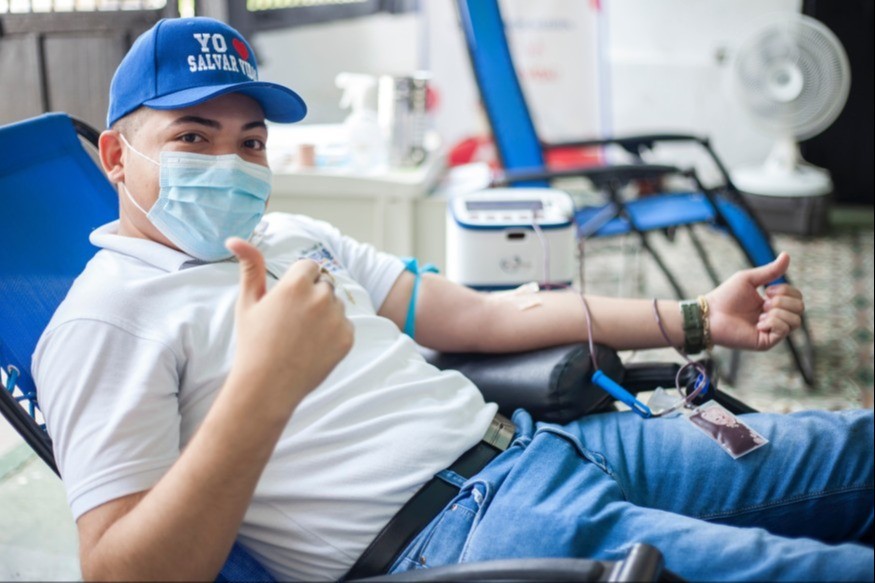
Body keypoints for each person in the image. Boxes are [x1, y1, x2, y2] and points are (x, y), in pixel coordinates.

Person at [32, 17, 872, 583]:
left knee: (854, 447)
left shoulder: (290, 233)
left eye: (250, 141)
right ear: (116, 157)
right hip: (462, 534)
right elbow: (120, 570)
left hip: (547, 445)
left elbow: (483, 314)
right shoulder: (108, 318)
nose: (231, 163)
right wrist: (264, 384)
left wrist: (694, 316)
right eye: (192, 137)